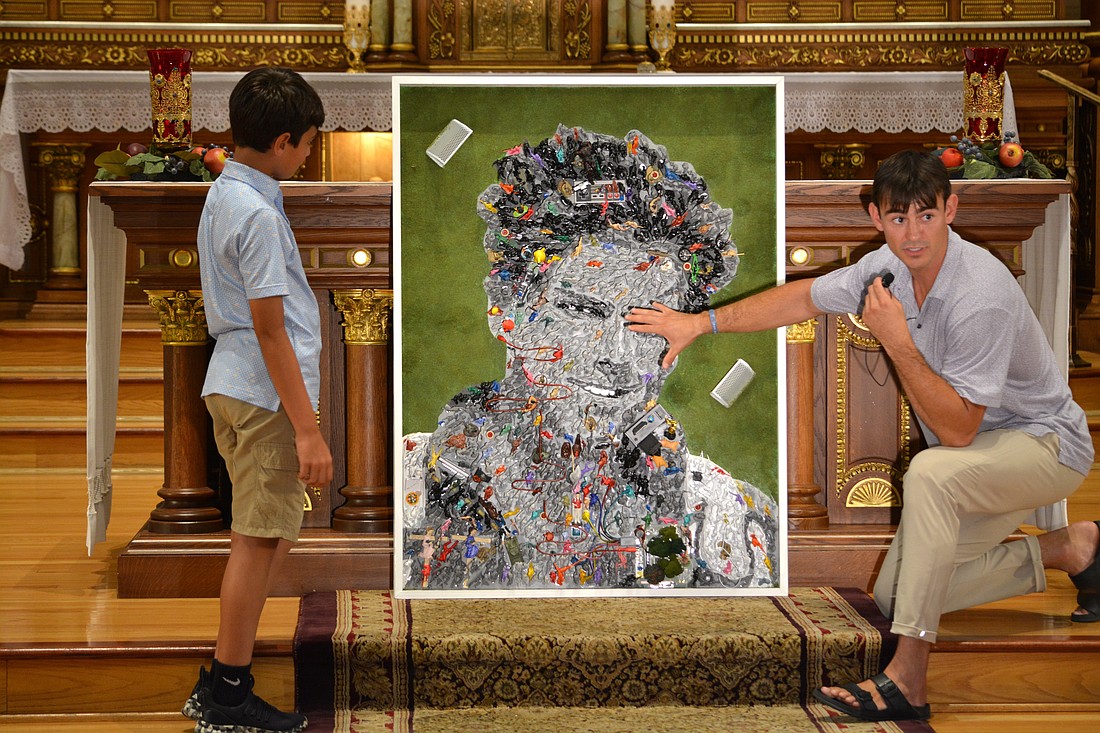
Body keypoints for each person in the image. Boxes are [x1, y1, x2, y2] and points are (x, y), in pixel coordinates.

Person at [626, 148, 1100, 722]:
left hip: (1044, 446)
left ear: (951, 209)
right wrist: (699, 324)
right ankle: (1070, 549)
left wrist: (897, 339)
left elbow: (957, 430)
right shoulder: (887, 269)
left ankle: (908, 680)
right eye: (899, 218)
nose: (913, 234)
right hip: (977, 459)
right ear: (877, 217)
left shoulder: (982, 295)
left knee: (929, 471)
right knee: (901, 599)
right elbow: (804, 296)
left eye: (926, 215)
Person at [400, 125, 779, 592]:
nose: (616, 356)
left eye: (650, 320)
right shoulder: (408, 486)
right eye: (582, 310)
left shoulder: (729, 514)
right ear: (508, 314)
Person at [181, 67, 331, 733]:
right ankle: (229, 698)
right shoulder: (259, 215)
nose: (307, 154)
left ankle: (219, 683)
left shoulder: (227, 191)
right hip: (262, 392)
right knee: (257, 540)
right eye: (305, 143)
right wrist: (307, 430)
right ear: (280, 141)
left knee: (260, 539)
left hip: (236, 382)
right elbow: (271, 328)